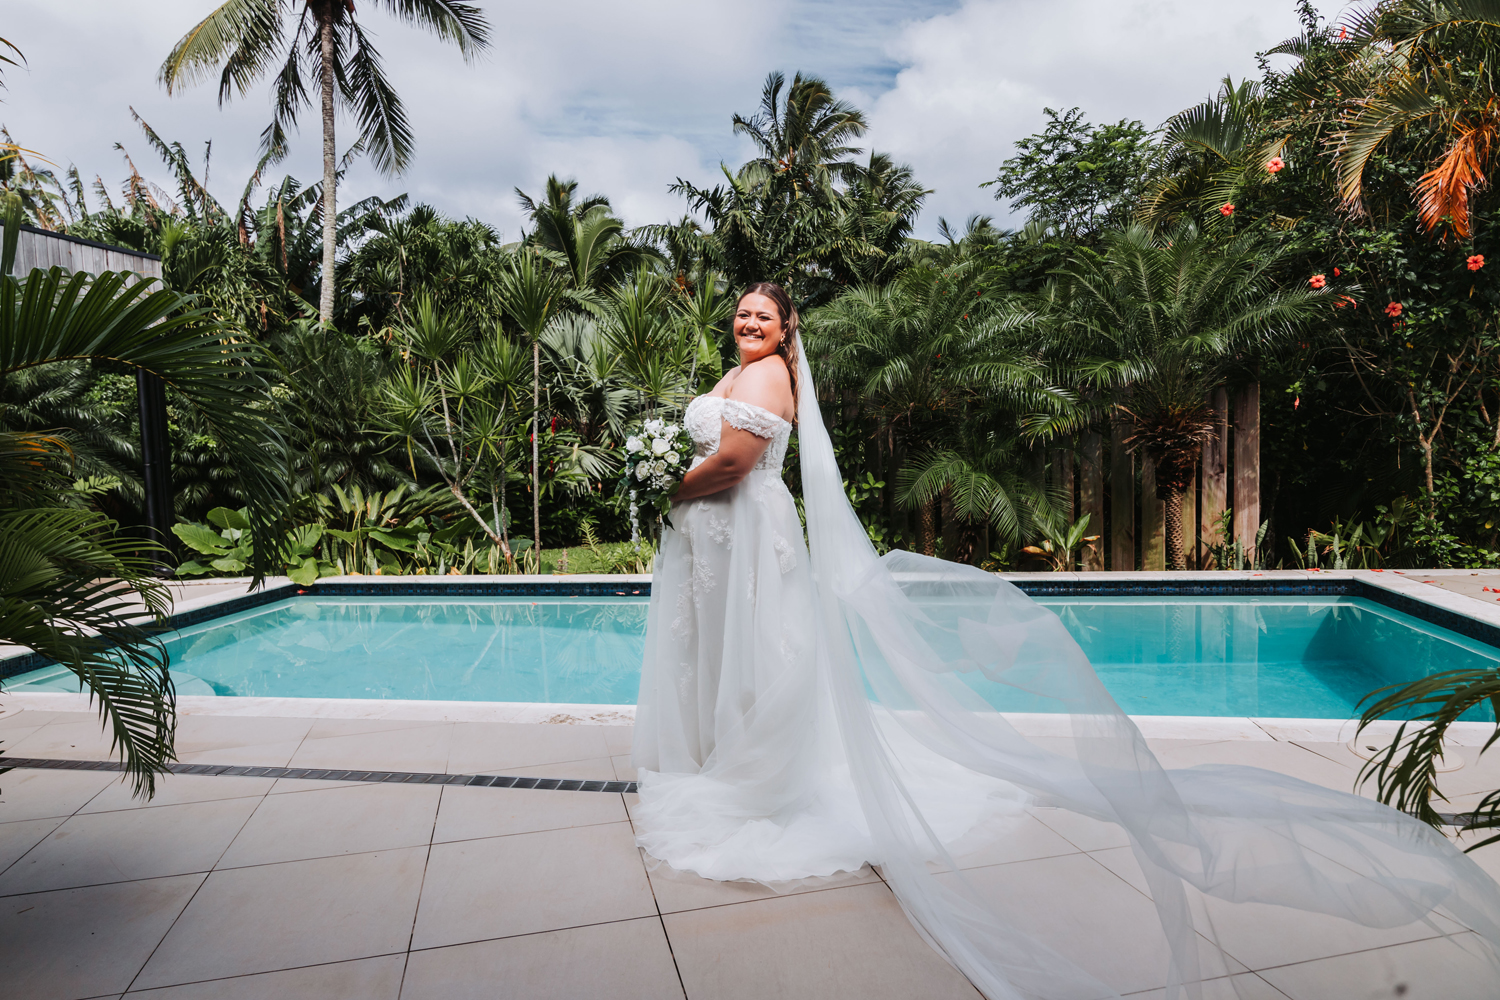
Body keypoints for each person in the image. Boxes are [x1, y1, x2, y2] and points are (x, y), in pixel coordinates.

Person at [633, 281, 1500, 999]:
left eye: (763, 317)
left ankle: (754, 775)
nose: (749, 324)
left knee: (765, 653)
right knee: (722, 650)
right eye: (742, 313)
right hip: (719, 538)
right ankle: (721, 755)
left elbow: (738, 465)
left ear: (788, 332)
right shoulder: (732, 374)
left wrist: (666, 485)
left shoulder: (771, 380)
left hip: (742, 529)